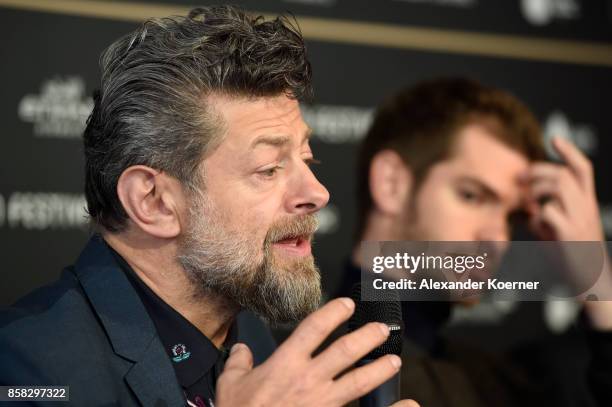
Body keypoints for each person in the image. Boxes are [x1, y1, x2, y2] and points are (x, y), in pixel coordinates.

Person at [0, 6, 418, 407]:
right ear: (155, 202)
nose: (318, 193)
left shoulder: (249, 336)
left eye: (307, 159)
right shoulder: (26, 368)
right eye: (269, 168)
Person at [337, 77, 612, 406]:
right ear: (392, 183)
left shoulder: (500, 383)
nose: (497, 238)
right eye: (472, 195)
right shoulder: (298, 376)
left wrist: (598, 286)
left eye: (511, 217)